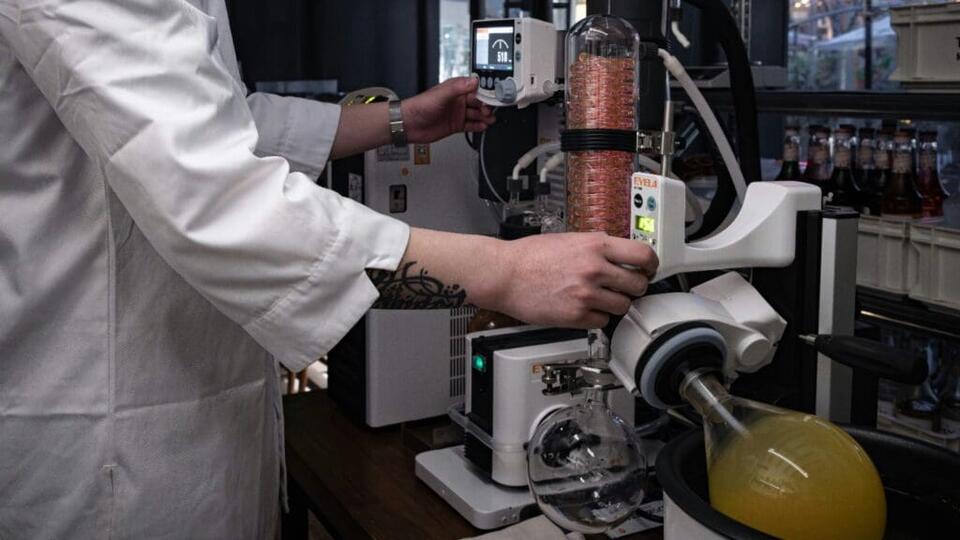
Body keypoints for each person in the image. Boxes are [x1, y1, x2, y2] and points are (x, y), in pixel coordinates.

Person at [0, 1, 658, 538]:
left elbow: (224, 118)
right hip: (107, 443)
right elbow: (216, 200)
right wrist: (506, 275)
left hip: (186, 403)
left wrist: (397, 121)